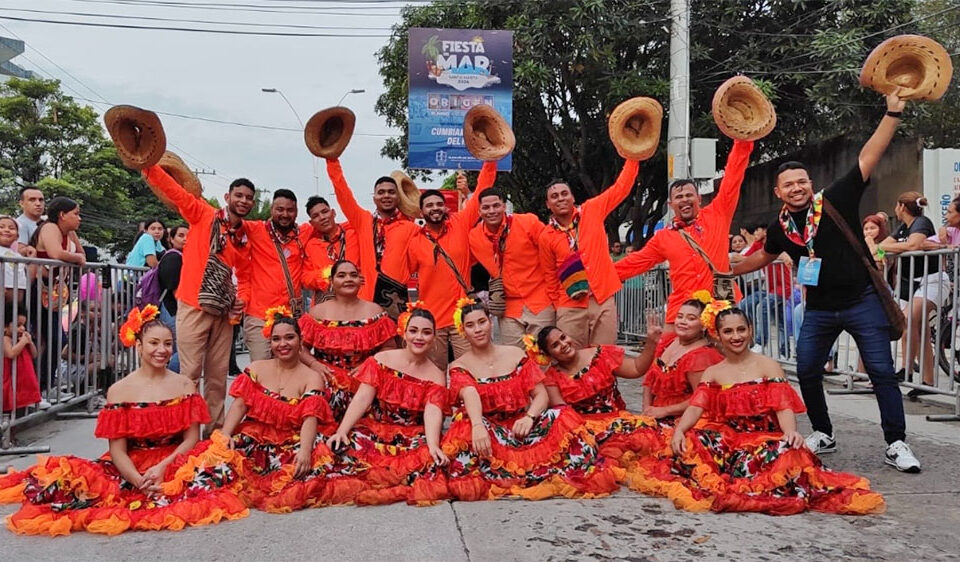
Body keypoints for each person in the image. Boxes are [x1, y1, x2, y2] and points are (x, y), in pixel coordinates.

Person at [733, 91, 920, 472]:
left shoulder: (835, 198)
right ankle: (823, 433)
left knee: (882, 371)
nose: (797, 188)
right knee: (807, 370)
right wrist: (723, 268)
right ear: (778, 192)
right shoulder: (780, 228)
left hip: (862, 300)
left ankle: (896, 442)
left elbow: (869, 155)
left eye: (802, 181)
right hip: (819, 309)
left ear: (810, 183)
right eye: (789, 185)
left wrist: (893, 112)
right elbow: (760, 258)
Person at [0, 306, 248, 535]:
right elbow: (117, 450)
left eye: (167, 344)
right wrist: (138, 481)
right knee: (73, 486)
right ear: (138, 345)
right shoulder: (119, 391)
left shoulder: (184, 384)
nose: (161, 350)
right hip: (132, 464)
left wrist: (165, 467)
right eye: (153, 343)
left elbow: (191, 439)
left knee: (222, 467)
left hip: (178, 460)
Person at [634, 306, 886, 515]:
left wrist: (790, 432)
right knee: (690, 443)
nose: (736, 336)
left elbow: (782, 405)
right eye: (728, 331)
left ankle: (753, 482)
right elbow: (696, 406)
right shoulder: (714, 372)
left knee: (790, 453)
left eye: (741, 329)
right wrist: (680, 430)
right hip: (729, 438)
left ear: (751, 331)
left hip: (764, 438)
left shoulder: (768, 366)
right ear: (718, 335)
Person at [440, 299, 620, 501]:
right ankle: (516, 471)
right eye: (470, 325)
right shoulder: (458, 365)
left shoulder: (516, 354)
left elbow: (541, 395)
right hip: (489, 433)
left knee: (562, 415)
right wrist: (477, 425)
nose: (478, 329)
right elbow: (469, 392)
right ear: (463, 330)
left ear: (491, 322)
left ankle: (530, 471)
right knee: (464, 428)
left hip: (523, 429)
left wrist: (529, 417)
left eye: (482, 322)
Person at [142, 165, 254, 435]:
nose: (244, 201)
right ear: (227, 197)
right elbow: (175, 192)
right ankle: (182, 432)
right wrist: (147, 165)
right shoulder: (203, 213)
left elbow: (246, 277)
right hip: (192, 305)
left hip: (224, 313)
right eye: (238, 195)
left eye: (249, 198)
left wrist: (242, 301)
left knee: (217, 378)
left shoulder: (245, 237)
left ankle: (214, 433)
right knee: (189, 373)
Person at [222, 308, 351, 511]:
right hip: (256, 436)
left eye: (289, 337)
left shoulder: (312, 377)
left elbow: (310, 417)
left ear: (300, 341)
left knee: (303, 478)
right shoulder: (257, 368)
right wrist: (225, 434)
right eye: (276, 339)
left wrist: (305, 452)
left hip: (293, 440)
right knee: (217, 464)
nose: (282, 344)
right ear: (270, 343)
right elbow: (239, 404)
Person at [616, 140, 753, 330]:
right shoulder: (663, 237)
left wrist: (743, 141)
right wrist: (594, 278)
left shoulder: (718, 213)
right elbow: (634, 263)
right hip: (681, 310)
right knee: (666, 356)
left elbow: (733, 176)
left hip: (720, 304)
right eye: (679, 197)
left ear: (699, 199)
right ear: (671, 205)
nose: (685, 200)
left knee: (726, 356)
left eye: (689, 195)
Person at [326, 304, 449, 505]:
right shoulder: (382, 360)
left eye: (426, 333)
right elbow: (362, 398)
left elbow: (432, 413)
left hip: (410, 435)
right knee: (345, 445)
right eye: (414, 331)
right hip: (376, 429)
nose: (419, 337)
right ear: (404, 334)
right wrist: (342, 430)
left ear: (434, 339)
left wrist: (434, 445)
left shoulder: (436, 376)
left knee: (428, 458)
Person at [539, 157, 640, 347]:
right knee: (572, 363)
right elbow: (549, 275)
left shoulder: (592, 210)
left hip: (602, 300)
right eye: (554, 196)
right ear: (548, 205)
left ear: (572, 198)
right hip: (570, 306)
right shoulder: (546, 236)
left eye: (564, 193)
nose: (560, 198)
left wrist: (633, 157)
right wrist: (559, 305)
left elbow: (620, 189)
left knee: (604, 359)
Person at [537, 325, 662, 475]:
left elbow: (636, 368)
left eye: (563, 338)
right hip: (584, 429)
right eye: (555, 345)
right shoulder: (551, 378)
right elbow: (563, 414)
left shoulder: (601, 354)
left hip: (618, 422)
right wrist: (584, 435)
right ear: (549, 355)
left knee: (646, 439)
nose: (563, 345)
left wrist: (651, 342)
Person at [299, 260, 395, 419]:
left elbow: (389, 348)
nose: (348, 279)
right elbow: (300, 348)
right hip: (326, 381)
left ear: (360, 280)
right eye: (341, 275)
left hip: (365, 381)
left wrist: (369, 364)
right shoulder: (317, 312)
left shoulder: (375, 310)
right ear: (332, 282)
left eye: (353, 275)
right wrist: (313, 364)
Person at [325, 158, 418, 318]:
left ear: (398, 197)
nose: (386, 196)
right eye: (381, 192)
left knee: (397, 344)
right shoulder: (363, 221)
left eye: (391, 192)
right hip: (365, 300)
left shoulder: (410, 228)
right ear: (374, 197)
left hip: (396, 303)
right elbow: (343, 193)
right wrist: (332, 160)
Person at [405, 172, 479, 369]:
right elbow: (404, 274)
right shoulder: (414, 242)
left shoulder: (459, 225)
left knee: (469, 370)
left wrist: (491, 159)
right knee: (434, 372)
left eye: (439, 204)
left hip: (462, 318)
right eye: (429, 205)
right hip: (432, 320)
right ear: (421, 212)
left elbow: (480, 195)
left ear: (445, 208)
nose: (435, 208)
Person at [878, 192, 946, 399]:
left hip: (931, 280)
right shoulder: (903, 228)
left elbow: (913, 245)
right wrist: (889, 247)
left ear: (901, 207)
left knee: (910, 319)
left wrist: (891, 247)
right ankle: (927, 381)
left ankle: (906, 369)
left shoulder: (922, 222)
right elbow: (881, 248)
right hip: (911, 284)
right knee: (917, 327)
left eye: (896, 207)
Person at [468, 186, 555, 347]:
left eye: (496, 205)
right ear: (479, 211)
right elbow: (463, 263)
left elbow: (554, 247)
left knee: (544, 359)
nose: (491, 211)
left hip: (540, 300)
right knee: (514, 361)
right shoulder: (474, 237)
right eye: (486, 207)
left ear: (504, 206)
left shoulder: (527, 222)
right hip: (508, 307)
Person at [239, 189, 305, 361]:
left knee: (290, 371)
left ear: (296, 212)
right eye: (280, 209)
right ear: (271, 210)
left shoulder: (303, 234)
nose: (285, 214)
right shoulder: (254, 229)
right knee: (261, 371)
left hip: (291, 316)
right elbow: (225, 221)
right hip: (259, 316)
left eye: (290, 210)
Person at [634, 296, 724, 422]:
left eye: (691, 318)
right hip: (656, 414)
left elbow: (702, 398)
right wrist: (647, 409)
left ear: (704, 325)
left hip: (683, 419)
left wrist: (665, 411)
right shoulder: (667, 342)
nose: (682, 321)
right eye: (680, 316)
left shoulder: (702, 356)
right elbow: (648, 381)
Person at [299, 196, 360, 299]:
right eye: (316, 216)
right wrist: (325, 274)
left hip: (356, 300)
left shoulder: (352, 236)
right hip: (325, 304)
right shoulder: (311, 245)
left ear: (333, 213)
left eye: (325, 211)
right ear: (312, 223)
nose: (322, 217)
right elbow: (305, 279)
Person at [157, 225, 187, 372]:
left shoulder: (181, 256)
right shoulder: (173, 257)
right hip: (173, 310)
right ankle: (168, 378)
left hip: (176, 309)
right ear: (171, 239)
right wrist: (184, 310)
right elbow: (174, 287)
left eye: (188, 236)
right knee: (183, 350)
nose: (185, 239)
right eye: (181, 236)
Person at [2, 313, 41, 416]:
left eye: (23, 325)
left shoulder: (20, 340)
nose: (22, 328)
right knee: (9, 410)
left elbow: (34, 354)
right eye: (18, 325)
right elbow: (10, 353)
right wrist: (23, 342)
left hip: (21, 382)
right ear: (5, 326)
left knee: (21, 409)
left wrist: (30, 342)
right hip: (9, 381)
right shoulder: (5, 339)